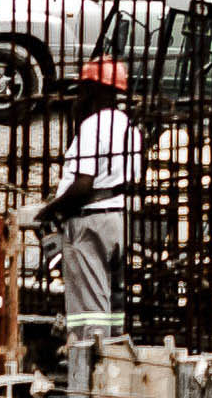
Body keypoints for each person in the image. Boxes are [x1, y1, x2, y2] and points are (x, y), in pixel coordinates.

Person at [36, 55, 140, 329]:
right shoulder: (128, 126)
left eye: (83, 88)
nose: (78, 96)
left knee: (89, 313)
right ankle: (116, 360)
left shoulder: (93, 125)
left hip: (90, 222)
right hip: (117, 219)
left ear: (96, 90)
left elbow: (84, 184)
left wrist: (50, 210)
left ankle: (88, 366)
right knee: (113, 304)